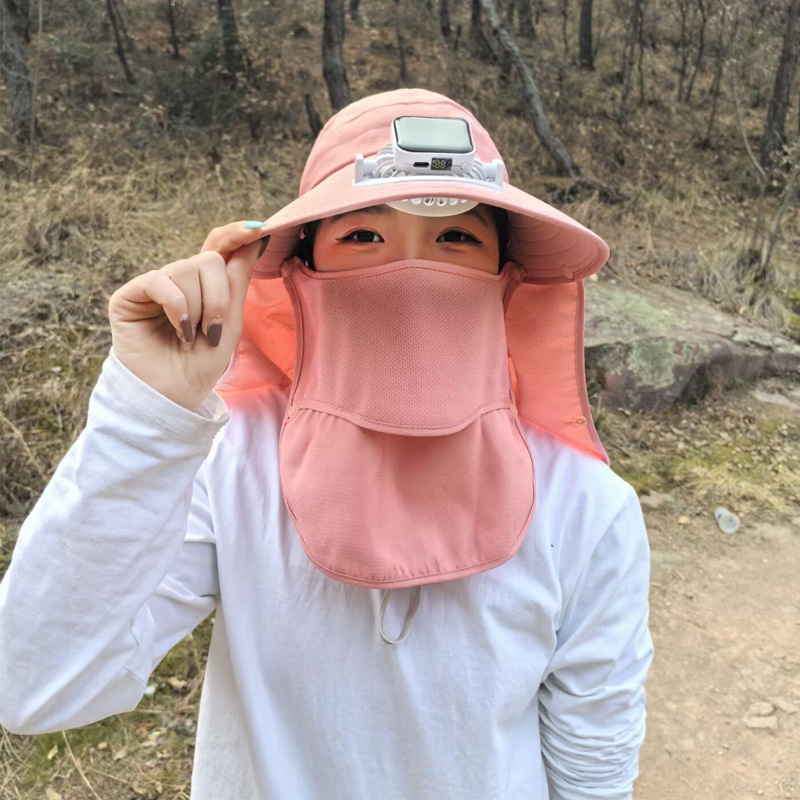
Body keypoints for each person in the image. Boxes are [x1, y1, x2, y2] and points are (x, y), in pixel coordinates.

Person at [0, 89, 654, 799]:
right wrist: (146, 414)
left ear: (506, 281)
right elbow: (35, 686)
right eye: (364, 236)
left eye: (458, 238)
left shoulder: (585, 505)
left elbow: (594, 759)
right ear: (304, 268)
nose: (409, 273)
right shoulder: (230, 462)